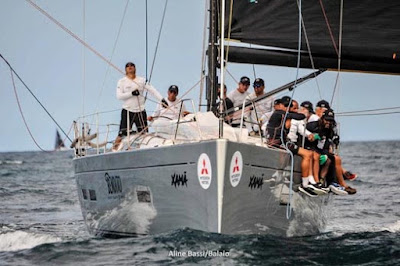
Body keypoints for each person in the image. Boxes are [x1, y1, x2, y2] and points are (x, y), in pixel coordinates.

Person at [266, 97, 327, 197]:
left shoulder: (286, 116)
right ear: (281, 105)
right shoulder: (279, 113)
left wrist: (310, 135)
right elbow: (299, 117)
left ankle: (309, 180)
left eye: (289, 106)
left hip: (284, 143)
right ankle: (304, 183)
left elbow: (300, 127)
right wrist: (302, 113)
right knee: (307, 154)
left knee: (310, 154)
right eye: (286, 106)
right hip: (278, 143)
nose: (287, 108)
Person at [112, 62, 163, 151]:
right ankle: (114, 149)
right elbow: (119, 96)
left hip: (140, 111)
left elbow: (153, 91)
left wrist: (162, 100)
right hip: (127, 110)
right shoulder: (122, 81)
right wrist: (131, 93)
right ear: (125, 70)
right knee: (122, 133)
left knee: (144, 134)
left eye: (132, 65)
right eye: (127, 66)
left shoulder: (142, 80)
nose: (130, 67)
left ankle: (144, 150)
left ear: (135, 68)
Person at [306, 109, 357, 195]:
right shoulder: (311, 126)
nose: (328, 123)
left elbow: (327, 144)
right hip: (311, 150)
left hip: (321, 151)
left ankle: (337, 184)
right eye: (326, 120)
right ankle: (318, 182)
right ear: (322, 118)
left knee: (334, 159)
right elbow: (304, 137)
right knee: (321, 157)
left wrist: (335, 141)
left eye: (330, 121)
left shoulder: (330, 129)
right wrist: (314, 137)